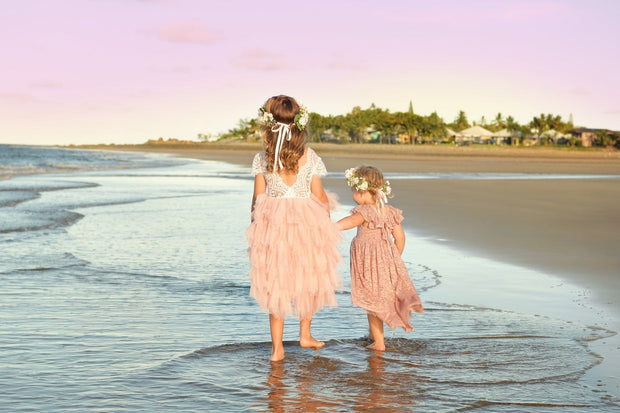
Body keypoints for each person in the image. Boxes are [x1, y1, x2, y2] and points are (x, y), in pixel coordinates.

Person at [246, 95, 343, 362]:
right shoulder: (308, 156)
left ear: (269, 124)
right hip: (305, 221)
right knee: (307, 277)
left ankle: (277, 349)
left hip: (273, 222)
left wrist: (255, 223)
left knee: (277, 284)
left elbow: (257, 197)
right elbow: (319, 195)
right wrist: (325, 220)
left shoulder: (263, 158)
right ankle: (305, 334)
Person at [337, 166, 423, 351]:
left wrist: (331, 227)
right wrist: (393, 259)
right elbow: (400, 238)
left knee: (371, 301)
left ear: (362, 192)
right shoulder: (390, 211)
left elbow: (349, 222)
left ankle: (379, 343)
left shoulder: (364, 212)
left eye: (354, 191)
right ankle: (373, 335)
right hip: (387, 262)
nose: (353, 195)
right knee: (378, 299)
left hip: (369, 265)